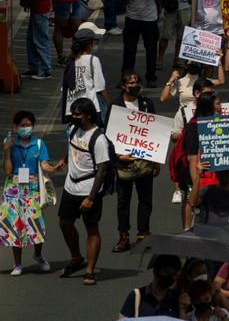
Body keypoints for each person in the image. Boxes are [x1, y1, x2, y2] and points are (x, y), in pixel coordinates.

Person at [0, 110, 56, 275]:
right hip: (13, 188)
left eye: (28, 125)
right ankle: (17, 264)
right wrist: (6, 151)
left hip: (32, 189)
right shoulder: (10, 143)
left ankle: (38, 255)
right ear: (16, 127)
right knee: (15, 226)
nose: (26, 128)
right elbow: (8, 171)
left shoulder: (39, 144)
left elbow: (44, 165)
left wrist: (55, 168)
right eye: (22, 125)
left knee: (36, 225)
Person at [58, 97, 112, 285]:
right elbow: (72, 146)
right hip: (69, 187)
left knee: (92, 229)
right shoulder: (72, 129)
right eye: (73, 113)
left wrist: (91, 197)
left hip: (88, 190)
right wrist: (65, 159)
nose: (74, 117)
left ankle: (89, 270)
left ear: (89, 115)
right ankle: (76, 258)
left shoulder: (99, 139)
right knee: (64, 223)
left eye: (78, 114)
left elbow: (102, 169)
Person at [111, 72, 158, 253]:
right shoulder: (116, 106)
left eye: (137, 81)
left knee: (145, 200)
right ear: (123, 86)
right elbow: (110, 134)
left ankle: (143, 234)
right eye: (131, 83)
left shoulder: (147, 104)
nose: (135, 85)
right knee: (123, 201)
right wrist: (118, 157)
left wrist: (155, 160)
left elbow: (154, 133)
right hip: (123, 163)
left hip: (144, 160)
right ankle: (124, 236)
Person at [61, 24, 108, 123]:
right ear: (89, 44)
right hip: (90, 109)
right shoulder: (93, 60)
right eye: (94, 41)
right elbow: (100, 88)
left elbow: (65, 87)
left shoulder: (70, 60)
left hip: (72, 109)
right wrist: (109, 104)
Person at [118, 255, 183, 317]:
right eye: (166, 271)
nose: (170, 276)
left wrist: (183, 309)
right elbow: (122, 319)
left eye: (174, 273)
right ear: (156, 271)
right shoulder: (137, 296)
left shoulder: (178, 299)